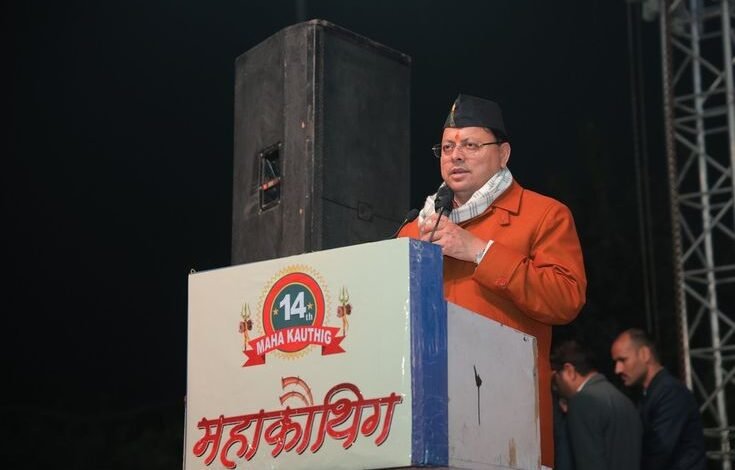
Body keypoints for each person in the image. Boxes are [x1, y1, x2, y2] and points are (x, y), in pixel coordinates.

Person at [398, 94, 587, 468]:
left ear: (503, 154)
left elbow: (566, 299)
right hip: (424, 423)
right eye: (447, 147)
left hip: (506, 426)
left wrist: (479, 251)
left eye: (470, 145)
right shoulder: (414, 229)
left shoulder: (544, 215)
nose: (456, 156)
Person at [610, 328, 706, 470]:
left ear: (645, 354)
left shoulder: (670, 392)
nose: (617, 369)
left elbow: (658, 452)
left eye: (623, 360)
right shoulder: (651, 393)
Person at [551, 340, 642, 470]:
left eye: (556, 378)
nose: (555, 386)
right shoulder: (626, 402)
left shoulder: (582, 402)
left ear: (569, 371)